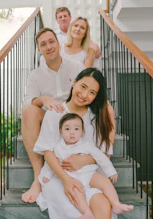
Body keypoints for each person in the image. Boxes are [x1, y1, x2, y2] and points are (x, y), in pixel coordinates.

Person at [33, 68, 119, 219]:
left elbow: (105, 152)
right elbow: (47, 152)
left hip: (89, 175)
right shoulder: (55, 113)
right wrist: (66, 180)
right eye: (83, 86)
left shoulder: (97, 117)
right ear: (74, 82)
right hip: (60, 176)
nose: (85, 95)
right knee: (77, 211)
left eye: (92, 92)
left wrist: (85, 160)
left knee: (104, 209)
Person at [21, 27, 85, 204]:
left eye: (51, 42)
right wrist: (42, 99)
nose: (48, 47)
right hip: (48, 119)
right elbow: (27, 103)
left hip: (74, 117)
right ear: (38, 49)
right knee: (29, 111)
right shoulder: (35, 75)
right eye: (43, 44)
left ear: (58, 44)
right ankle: (37, 178)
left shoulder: (77, 67)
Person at [38, 113, 134, 218]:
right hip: (73, 177)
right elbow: (51, 163)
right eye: (67, 129)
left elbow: (101, 158)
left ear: (82, 132)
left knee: (105, 182)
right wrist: (47, 175)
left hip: (89, 174)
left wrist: (111, 171)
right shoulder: (58, 148)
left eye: (76, 129)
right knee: (75, 194)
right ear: (61, 131)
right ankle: (87, 213)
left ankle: (116, 204)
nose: (72, 133)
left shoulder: (87, 146)